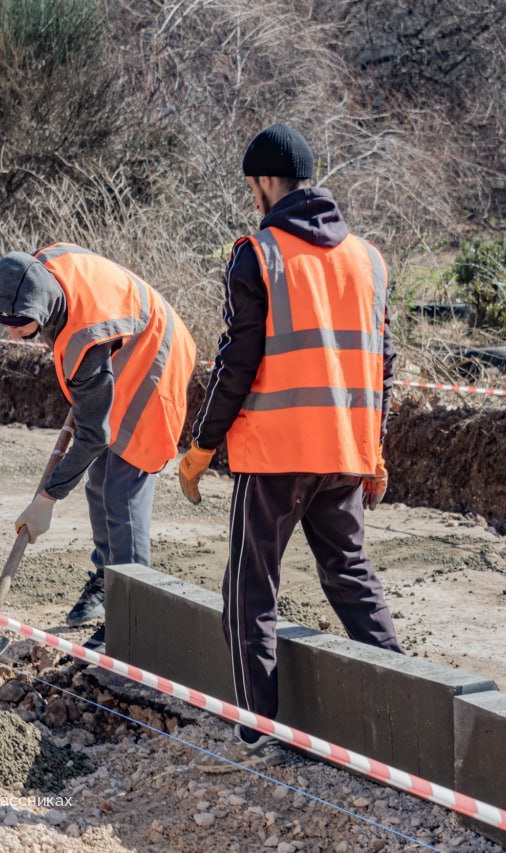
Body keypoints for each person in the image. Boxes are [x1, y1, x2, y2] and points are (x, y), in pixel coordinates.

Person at [179, 124, 404, 772]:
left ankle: (259, 734)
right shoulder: (370, 259)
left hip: (276, 455)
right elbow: (383, 363)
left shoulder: (258, 254)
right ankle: (399, 703)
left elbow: (237, 362)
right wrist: (374, 449)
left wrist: (202, 445)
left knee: (250, 590)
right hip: (344, 454)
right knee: (351, 575)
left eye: (252, 184)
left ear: (263, 184)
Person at [0, 244, 197, 647]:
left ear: (41, 309)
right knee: (97, 481)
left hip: (155, 359)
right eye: (6, 323)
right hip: (124, 348)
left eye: (19, 324)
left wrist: (47, 498)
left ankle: (134, 614)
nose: (12, 334)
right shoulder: (37, 272)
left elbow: (94, 434)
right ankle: (107, 577)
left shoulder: (86, 341)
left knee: (122, 489)